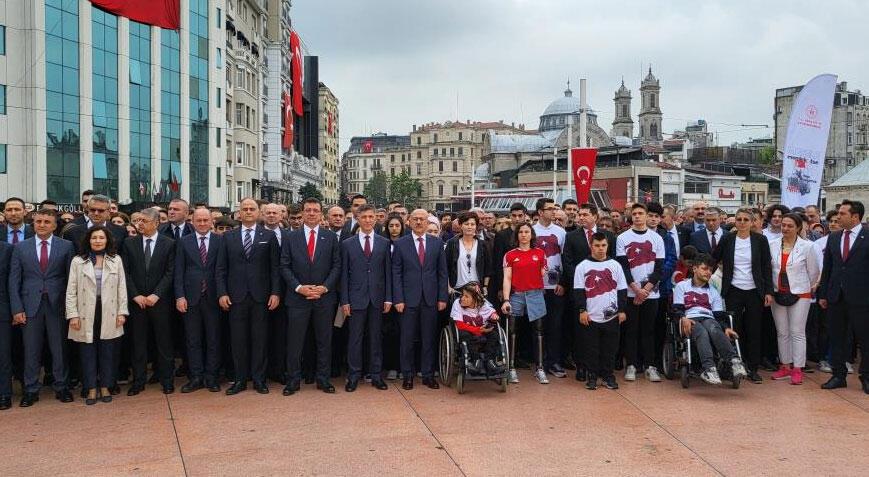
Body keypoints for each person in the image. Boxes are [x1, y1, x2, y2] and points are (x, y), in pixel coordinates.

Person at [9, 208, 75, 407]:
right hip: (30, 305)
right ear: (33, 223)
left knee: (59, 348)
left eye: (47, 222)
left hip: (57, 304)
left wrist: (70, 308)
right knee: (31, 349)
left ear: (55, 225)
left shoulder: (66, 246)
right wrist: (16, 308)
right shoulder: (21, 248)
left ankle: (62, 386)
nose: (42, 225)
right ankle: (30, 389)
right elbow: (14, 281)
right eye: (38, 221)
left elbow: (71, 278)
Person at [216, 198, 281, 395]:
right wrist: (222, 292)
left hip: (261, 297)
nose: (249, 212)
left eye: (252, 209)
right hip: (236, 297)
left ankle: (259, 380)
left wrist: (275, 292)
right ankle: (240, 380)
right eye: (245, 209)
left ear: (258, 212)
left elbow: (275, 269)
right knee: (238, 340)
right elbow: (220, 269)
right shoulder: (228, 237)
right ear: (239, 213)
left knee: (260, 340)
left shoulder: (268, 236)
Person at [281, 198, 341, 395]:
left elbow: (336, 266)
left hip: (324, 298)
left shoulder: (330, 237)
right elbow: (284, 266)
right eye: (308, 210)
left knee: (324, 341)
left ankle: (323, 379)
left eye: (316, 210)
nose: (312, 213)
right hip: (298, 298)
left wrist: (324, 288)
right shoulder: (290, 237)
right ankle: (293, 380)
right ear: (303, 213)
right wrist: (299, 287)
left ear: (321, 213)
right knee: (294, 342)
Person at [65, 226, 128, 405]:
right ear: (88, 240)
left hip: (109, 310)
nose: (98, 241)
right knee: (87, 351)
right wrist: (73, 315)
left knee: (108, 350)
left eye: (101, 238)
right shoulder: (78, 261)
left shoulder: (115, 260)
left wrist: (122, 312)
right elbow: (71, 290)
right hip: (85, 311)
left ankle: (105, 386)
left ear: (107, 240)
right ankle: (91, 388)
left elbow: (121, 288)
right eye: (94, 238)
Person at [712, 207, 773, 383]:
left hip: (755, 290)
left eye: (746, 220)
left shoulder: (760, 240)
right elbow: (714, 258)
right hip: (733, 290)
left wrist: (768, 291)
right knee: (733, 328)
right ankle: (733, 364)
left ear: (752, 222)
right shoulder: (727, 239)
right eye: (739, 219)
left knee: (754, 329)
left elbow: (766, 267)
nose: (742, 223)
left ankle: (753, 368)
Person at [121, 208, 176, 395]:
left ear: (156, 223)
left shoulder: (168, 244)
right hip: (137, 303)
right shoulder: (129, 243)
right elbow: (125, 273)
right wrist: (135, 295)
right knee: (138, 343)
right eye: (138, 221)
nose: (140, 224)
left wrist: (156, 294)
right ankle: (138, 381)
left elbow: (170, 272)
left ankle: (167, 380)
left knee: (164, 343)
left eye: (144, 221)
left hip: (160, 302)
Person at [392, 209, 448, 390]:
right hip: (407, 300)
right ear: (408, 221)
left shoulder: (437, 243)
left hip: (430, 299)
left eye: (422, 219)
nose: (418, 222)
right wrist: (398, 299)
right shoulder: (401, 244)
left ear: (427, 222)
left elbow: (442, 273)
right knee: (406, 339)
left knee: (428, 338)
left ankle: (428, 375)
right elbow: (396, 273)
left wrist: (442, 297)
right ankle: (407, 375)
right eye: (415, 219)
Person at [817, 200, 869, 394]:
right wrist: (823, 294)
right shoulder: (834, 237)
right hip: (835, 296)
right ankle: (838, 375)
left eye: (842, 213)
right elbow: (828, 268)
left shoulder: (867, 235)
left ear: (855, 216)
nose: (838, 217)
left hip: (862, 298)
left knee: (865, 339)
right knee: (837, 337)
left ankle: (866, 376)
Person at [672, 254, 748, 385]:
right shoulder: (682, 286)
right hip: (690, 319)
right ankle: (709, 368)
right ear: (694, 268)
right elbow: (677, 308)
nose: (708, 272)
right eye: (704, 268)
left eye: (710, 270)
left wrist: (726, 328)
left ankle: (735, 362)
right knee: (702, 332)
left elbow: (718, 315)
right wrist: (683, 318)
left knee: (713, 328)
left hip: (709, 318)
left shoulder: (713, 291)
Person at [561, 203, 616, 381]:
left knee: (604, 331)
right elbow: (567, 261)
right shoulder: (571, 237)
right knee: (581, 329)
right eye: (579, 214)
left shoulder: (608, 236)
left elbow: (614, 263)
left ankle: (602, 368)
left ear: (595, 216)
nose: (581, 217)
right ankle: (582, 366)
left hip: (604, 292)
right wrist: (581, 280)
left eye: (585, 214)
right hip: (580, 290)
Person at [340, 204, 392, 392]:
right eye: (364, 217)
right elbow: (344, 274)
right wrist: (344, 300)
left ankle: (376, 375)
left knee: (376, 338)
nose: (368, 220)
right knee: (355, 338)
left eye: (371, 217)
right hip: (355, 298)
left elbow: (388, 273)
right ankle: (353, 376)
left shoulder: (384, 243)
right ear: (358, 219)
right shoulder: (347, 244)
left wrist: (388, 298)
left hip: (378, 298)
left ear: (375, 219)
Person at [174, 208, 224, 393]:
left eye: (205, 220)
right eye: (198, 220)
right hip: (190, 298)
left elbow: (223, 270)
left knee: (213, 339)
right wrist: (180, 296)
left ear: (211, 221)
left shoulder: (220, 241)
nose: (202, 224)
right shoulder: (183, 242)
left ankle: (211, 377)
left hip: (214, 298)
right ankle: (196, 377)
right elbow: (178, 271)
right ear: (192, 222)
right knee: (192, 340)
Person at [768, 213, 820, 385]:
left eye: (790, 226)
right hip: (778, 293)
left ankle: (798, 368)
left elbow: (813, 272)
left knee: (797, 332)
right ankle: (785, 366)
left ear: (798, 228)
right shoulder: (772, 245)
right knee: (782, 332)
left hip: (800, 293)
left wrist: (803, 286)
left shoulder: (808, 247)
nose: (785, 228)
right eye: (783, 225)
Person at [616, 203, 665, 382]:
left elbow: (659, 268)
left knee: (649, 330)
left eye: (640, 213)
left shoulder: (656, 238)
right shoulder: (622, 238)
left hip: (651, 293)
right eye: (634, 213)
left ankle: (650, 365)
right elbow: (623, 267)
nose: (637, 216)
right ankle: (631, 364)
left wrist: (646, 290)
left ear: (646, 216)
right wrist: (636, 289)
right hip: (630, 293)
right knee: (631, 330)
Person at [574, 232, 627, 391]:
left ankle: (608, 376)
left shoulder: (615, 265)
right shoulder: (582, 266)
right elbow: (578, 291)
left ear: (607, 246)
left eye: (603, 245)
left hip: (611, 316)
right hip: (591, 316)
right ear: (591, 246)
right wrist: (582, 310)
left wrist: (622, 310)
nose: (600, 249)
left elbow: (622, 290)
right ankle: (592, 376)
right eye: (597, 245)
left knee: (610, 349)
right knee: (591, 348)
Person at [501, 223, 548, 384]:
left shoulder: (540, 253)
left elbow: (544, 273)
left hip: (536, 294)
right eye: (520, 232)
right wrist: (506, 299)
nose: (523, 235)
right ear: (517, 235)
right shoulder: (510, 255)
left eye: (527, 232)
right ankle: (511, 368)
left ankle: (540, 368)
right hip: (516, 295)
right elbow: (507, 278)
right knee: (513, 331)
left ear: (532, 235)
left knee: (539, 331)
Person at [532, 198, 567, 379]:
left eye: (554, 209)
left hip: (556, 287)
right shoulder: (531, 231)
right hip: (536, 287)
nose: (554, 212)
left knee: (555, 326)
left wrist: (562, 282)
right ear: (540, 212)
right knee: (538, 327)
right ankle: (538, 362)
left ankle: (554, 361)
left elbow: (565, 259)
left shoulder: (561, 233)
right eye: (549, 209)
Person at [262, 204, 291, 385]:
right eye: (268, 213)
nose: (272, 216)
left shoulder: (290, 236)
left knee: (281, 334)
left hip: (287, 291)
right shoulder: (255, 234)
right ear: (263, 215)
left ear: (282, 215)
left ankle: (279, 370)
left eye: (275, 213)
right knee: (262, 334)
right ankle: (261, 370)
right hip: (261, 292)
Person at [450, 283, 503, 374]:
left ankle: (490, 362)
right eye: (462, 295)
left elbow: (492, 312)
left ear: (475, 299)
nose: (462, 298)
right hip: (467, 331)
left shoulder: (482, 304)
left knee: (494, 335)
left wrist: (494, 316)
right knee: (464, 334)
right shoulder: (457, 303)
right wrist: (477, 330)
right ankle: (476, 361)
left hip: (481, 330)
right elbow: (459, 325)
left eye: (466, 296)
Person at [62, 195, 127, 255]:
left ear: (108, 211)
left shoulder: (121, 232)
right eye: (92, 210)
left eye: (100, 211)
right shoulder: (72, 233)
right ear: (88, 209)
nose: (96, 213)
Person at [445, 212, 492, 294]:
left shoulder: (483, 244)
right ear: (460, 225)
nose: (469, 227)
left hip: (477, 289)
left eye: (472, 224)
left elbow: (488, 268)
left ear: (476, 226)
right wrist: (448, 287)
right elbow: (445, 267)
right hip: (457, 289)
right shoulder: (452, 243)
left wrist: (485, 286)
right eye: (466, 224)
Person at [0, 239, 13, 410]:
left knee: (3, 355)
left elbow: (13, 280)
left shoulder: (7, 249)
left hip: (2, 309)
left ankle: (4, 393)